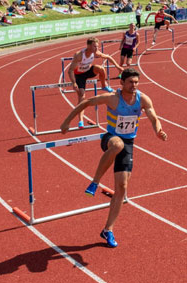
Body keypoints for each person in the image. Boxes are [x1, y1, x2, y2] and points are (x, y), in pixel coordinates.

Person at [60, 67, 168, 248]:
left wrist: (158, 130)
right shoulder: (113, 98)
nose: (134, 85)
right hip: (110, 139)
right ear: (122, 83)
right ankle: (94, 182)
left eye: (136, 82)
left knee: (122, 189)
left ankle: (107, 230)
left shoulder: (142, 99)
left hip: (129, 144)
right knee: (117, 145)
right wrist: (66, 121)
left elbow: (153, 116)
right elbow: (86, 103)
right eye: (130, 82)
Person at [65, 37, 121, 128]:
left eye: (97, 46)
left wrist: (118, 67)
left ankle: (104, 86)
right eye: (95, 46)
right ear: (89, 46)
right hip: (79, 75)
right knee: (82, 96)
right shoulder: (79, 55)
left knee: (101, 69)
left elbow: (108, 57)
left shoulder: (95, 53)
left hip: (89, 71)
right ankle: (81, 121)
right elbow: (70, 71)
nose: (97, 48)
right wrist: (74, 83)